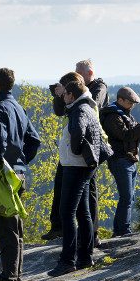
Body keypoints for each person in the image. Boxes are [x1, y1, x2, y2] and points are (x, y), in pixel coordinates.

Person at [0, 68, 41, 281]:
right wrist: (20, 162)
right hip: (18, 175)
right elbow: (34, 140)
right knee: (15, 229)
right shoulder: (18, 107)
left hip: (2, 177)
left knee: (6, 230)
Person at [44, 59, 109, 246]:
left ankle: (90, 236)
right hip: (74, 154)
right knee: (66, 192)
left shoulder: (94, 91)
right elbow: (59, 112)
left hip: (86, 151)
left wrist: (71, 97)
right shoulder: (76, 98)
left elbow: (84, 115)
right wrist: (59, 97)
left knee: (86, 197)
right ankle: (62, 229)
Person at [48, 80, 104, 277]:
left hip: (75, 166)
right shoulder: (87, 106)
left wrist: (74, 149)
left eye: (64, 95)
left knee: (67, 212)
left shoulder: (79, 110)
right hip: (83, 166)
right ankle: (85, 257)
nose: (63, 98)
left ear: (71, 95)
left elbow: (78, 134)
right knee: (83, 212)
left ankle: (67, 260)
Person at [100, 87, 140, 237]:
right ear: (120, 100)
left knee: (129, 197)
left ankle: (122, 230)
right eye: (130, 102)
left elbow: (139, 138)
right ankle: (122, 231)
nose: (132, 105)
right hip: (119, 160)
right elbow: (125, 135)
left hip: (129, 160)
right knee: (126, 197)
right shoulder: (112, 116)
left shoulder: (126, 115)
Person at [43, 72, 86, 242]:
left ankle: (79, 238)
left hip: (78, 157)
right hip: (68, 156)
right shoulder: (72, 102)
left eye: (66, 89)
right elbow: (59, 111)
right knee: (60, 190)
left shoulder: (83, 103)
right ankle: (57, 227)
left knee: (78, 204)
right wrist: (58, 96)